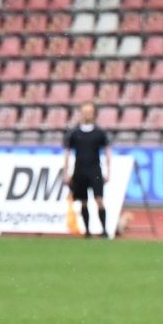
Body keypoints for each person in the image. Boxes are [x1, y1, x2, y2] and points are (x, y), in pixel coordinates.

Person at [62, 100, 113, 238]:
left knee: (99, 200)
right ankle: (88, 231)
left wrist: (108, 171)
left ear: (94, 114)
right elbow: (67, 154)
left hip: (95, 169)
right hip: (79, 170)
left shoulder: (99, 133)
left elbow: (108, 153)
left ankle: (104, 230)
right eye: (84, 112)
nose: (87, 114)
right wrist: (66, 173)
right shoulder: (73, 133)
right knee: (83, 201)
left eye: (89, 112)